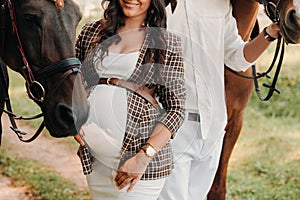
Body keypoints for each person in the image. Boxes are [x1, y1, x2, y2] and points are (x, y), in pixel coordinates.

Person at [158, 0, 281, 200]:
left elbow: (235, 57)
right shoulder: (157, 6)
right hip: (171, 128)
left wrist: (269, 34)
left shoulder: (219, 5)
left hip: (211, 130)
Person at [74, 0, 185, 199]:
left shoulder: (166, 43)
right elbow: (73, 83)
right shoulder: (91, 31)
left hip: (138, 164)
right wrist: (74, 121)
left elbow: (176, 109)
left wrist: (143, 157)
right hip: (96, 157)